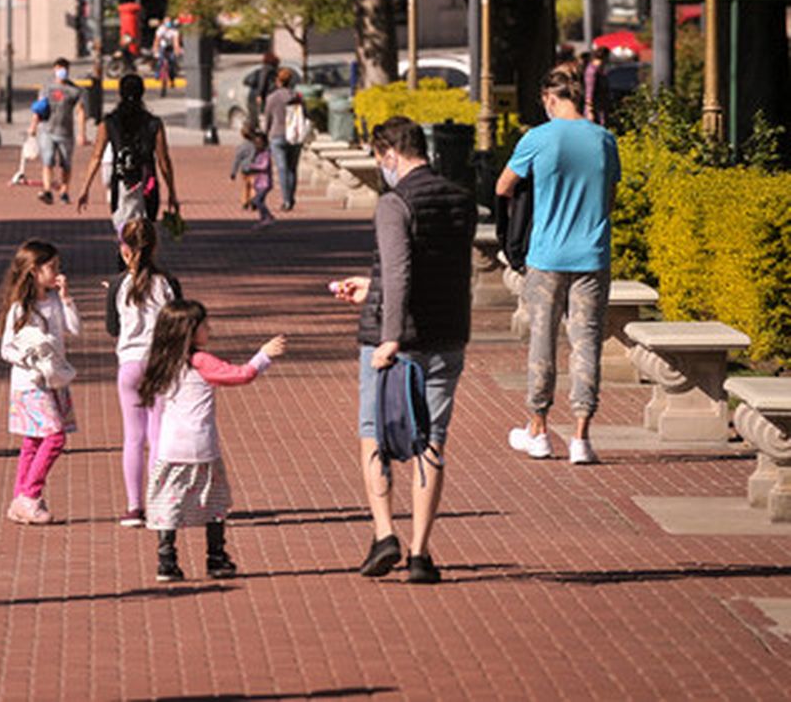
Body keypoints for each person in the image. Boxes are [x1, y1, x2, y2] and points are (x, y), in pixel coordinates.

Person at [332, 116, 476, 585]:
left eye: (380, 160)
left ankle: (384, 532)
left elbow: (399, 273)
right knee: (432, 440)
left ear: (390, 152)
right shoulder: (460, 197)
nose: (381, 169)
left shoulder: (394, 203)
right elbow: (435, 269)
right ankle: (420, 552)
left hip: (396, 338)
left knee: (375, 431)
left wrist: (389, 337)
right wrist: (371, 286)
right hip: (447, 332)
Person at [497, 68, 620, 465]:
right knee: (586, 343)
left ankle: (538, 428)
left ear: (550, 98)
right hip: (592, 254)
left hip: (547, 254)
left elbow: (503, 186)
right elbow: (610, 196)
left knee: (542, 341)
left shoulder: (537, 138)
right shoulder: (604, 140)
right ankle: (582, 436)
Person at [138, 300, 288, 581]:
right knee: (215, 502)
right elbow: (241, 374)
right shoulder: (201, 361)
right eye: (204, 324)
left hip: (170, 447)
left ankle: (166, 558)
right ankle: (216, 557)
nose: (209, 328)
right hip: (202, 445)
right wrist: (263, 355)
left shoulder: (162, 363)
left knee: (167, 502)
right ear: (190, 331)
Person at [104, 219, 182, 527]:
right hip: (161, 362)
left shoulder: (117, 285)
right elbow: (179, 321)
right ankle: (158, 499)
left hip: (130, 364)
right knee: (158, 434)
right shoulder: (168, 282)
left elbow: (113, 328)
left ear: (124, 250)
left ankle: (134, 506)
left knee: (133, 437)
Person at [0, 239, 80, 525]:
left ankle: (20, 498)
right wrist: (30, 354)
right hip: (30, 383)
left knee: (33, 440)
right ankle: (30, 496)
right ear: (34, 271)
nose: (57, 272)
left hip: (53, 379)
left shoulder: (55, 301)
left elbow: (74, 328)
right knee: (54, 436)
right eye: (52, 267)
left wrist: (67, 298)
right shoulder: (21, 308)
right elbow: (6, 348)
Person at [75, 74, 181, 232]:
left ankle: (125, 255)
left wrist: (85, 188)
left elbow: (96, 156)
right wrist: (172, 192)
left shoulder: (109, 122)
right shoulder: (153, 123)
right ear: (142, 93)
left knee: (124, 232)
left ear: (120, 93)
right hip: (148, 184)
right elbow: (163, 160)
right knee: (146, 233)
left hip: (121, 183)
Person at [28, 57, 87, 205]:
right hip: (47, 130)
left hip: (65, 133)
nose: (62, 71)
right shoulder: (47, 89)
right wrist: (33, 126)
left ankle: (64, 191)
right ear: (54, 69)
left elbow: (80, 112)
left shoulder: (74, 91)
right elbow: (38, 109)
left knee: (66, 164)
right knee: (47, 161)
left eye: (64, 68)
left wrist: (82, 134)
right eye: (59, 68)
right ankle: (47, 190)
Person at [261, 68, 311, 211]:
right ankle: (291, 197)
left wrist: (265, 135)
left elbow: (268, 119)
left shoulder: (272, 98)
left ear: (278, 81)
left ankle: (286, 199)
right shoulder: (297, 97)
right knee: (292, 168)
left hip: (277, 134)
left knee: (282, 169)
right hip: (294, 135)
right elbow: (305, 115)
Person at [241, 127, 274, 231]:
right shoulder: (258, 155)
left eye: (259, 143)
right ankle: (263, 219)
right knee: (260, 201)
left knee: (257, 200)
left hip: (265, 183)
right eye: (255, 144)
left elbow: (264, 166)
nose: (257, 146)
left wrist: (252, 167)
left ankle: (268, 216)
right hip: (259, 183)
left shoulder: (266, 154)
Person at [153, 19, 181, 98]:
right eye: (166, 22)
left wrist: (177, 51)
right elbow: (157, 40)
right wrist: (155, 50)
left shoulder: (174, 30)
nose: (168, 23)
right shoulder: (161, 29)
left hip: (171, 48)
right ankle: (157, 74)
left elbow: (176, 42)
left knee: (172, 62)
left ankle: (172, 78)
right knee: (160, 61)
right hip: (162, 47)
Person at [583, 47, 611, 126]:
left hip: (600, 109)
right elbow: (589, 91)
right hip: (595, 110)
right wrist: (590, 110)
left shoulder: (600, 71)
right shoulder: (592, 72)